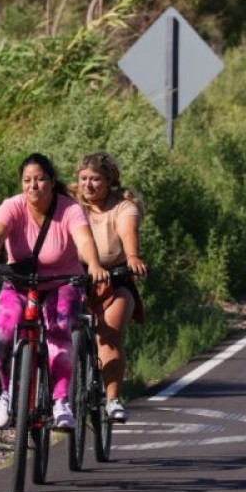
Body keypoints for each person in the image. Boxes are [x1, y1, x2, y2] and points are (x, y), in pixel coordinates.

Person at [0, 153, 108, 430]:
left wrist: (95, 265)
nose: (33, 186)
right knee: (4, 336)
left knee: (59, 333)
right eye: (27, 180)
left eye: (40, 179)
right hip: (19, 283)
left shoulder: (69, 210)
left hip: (61, 283)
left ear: (52, 181)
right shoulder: (12, 206)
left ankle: (61, 402)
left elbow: (84, 239)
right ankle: (7, 395)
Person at [74, 151, 149, 423]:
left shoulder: (123, 206)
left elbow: (129, 231)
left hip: (115, 280)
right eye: (83, 178)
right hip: (75, 279)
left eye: (95, 179)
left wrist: (133, 257)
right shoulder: (70, 204)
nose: (88, 185)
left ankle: (113, 399)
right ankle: (57, 395)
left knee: (109, 332)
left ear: (110, 181)